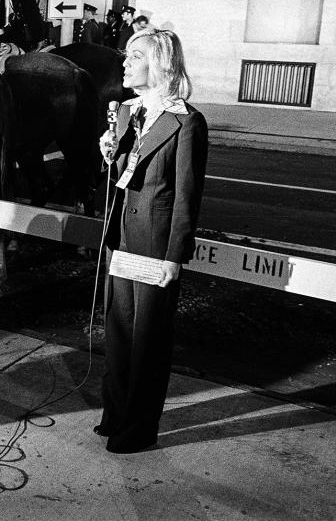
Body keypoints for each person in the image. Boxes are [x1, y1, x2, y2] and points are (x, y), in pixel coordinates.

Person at [96, 28, 209, 454]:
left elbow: (186, 194)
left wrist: (174, 257)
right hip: (121, 237)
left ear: (160, 64)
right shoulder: (127, 113)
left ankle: (138, 429)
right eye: (126, 55)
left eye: (135, 55)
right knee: (119, 332)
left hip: (155, 245)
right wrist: (109, 150)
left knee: (148, 343)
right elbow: (122, 177)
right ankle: (114, 414)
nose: (125, 63)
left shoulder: (186, 122)